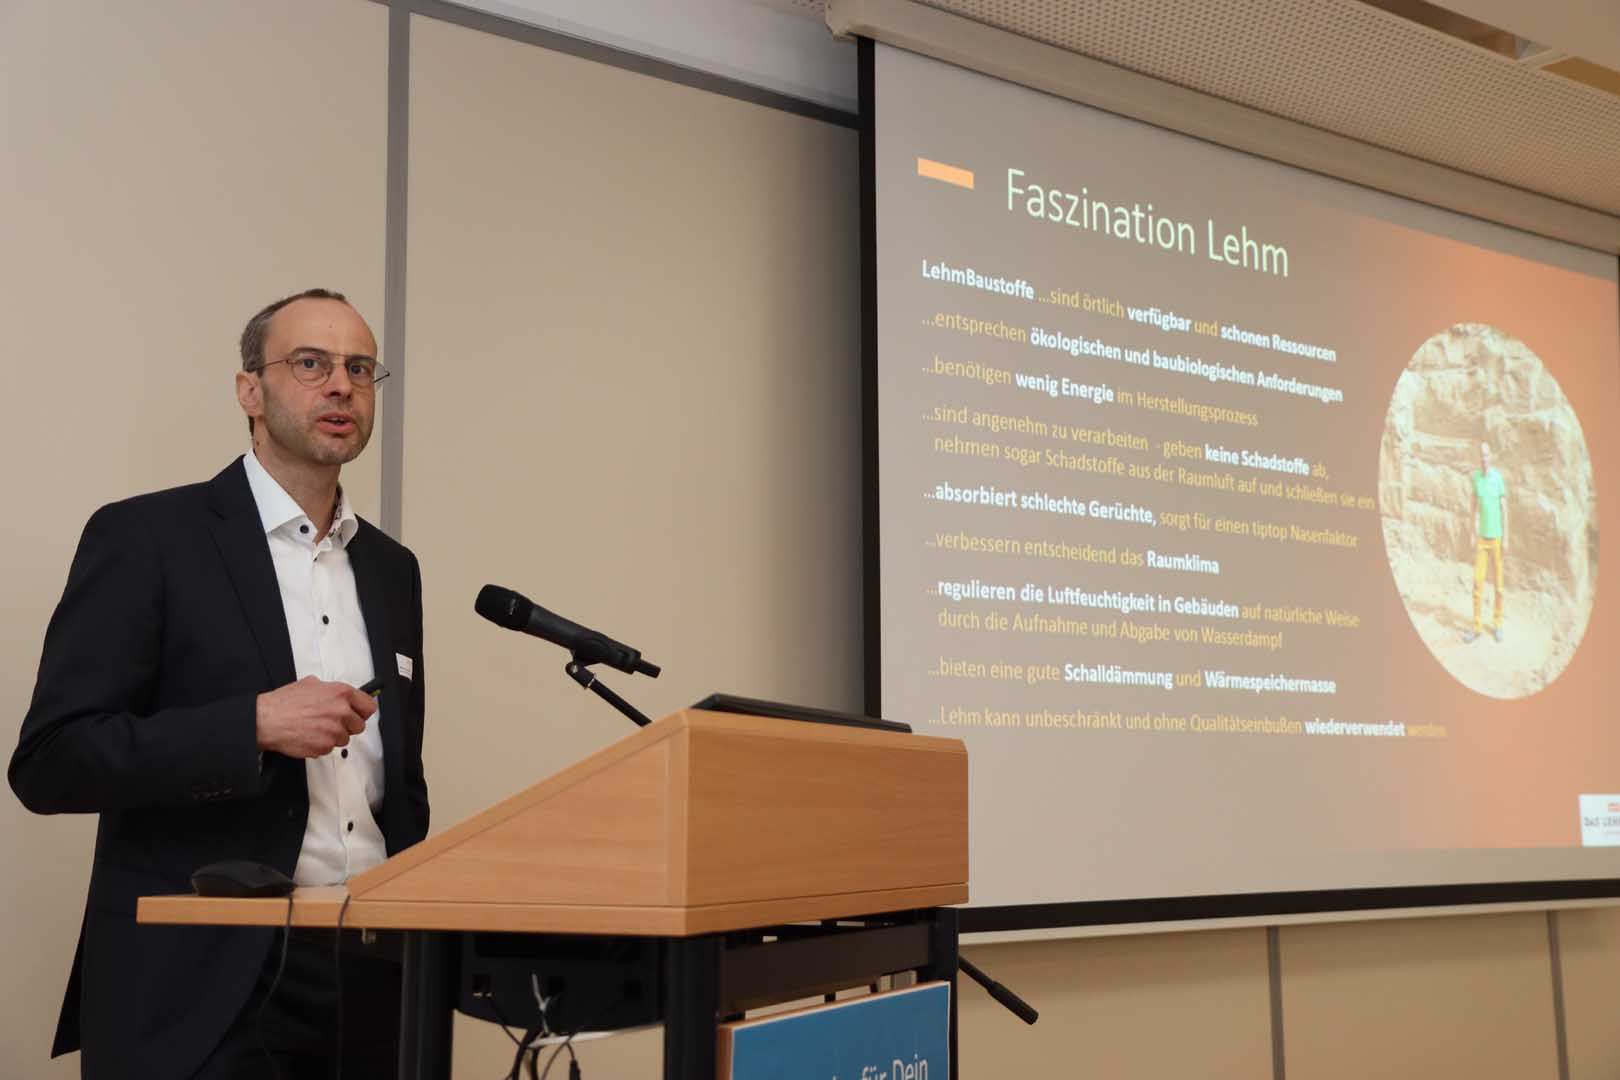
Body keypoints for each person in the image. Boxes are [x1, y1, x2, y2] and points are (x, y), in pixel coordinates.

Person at [9, 289, 429, 1079]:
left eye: (360, 368)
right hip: (204, 984)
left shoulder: (391, 569)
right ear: (250, 391)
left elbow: (400, 787)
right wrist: (252, 726)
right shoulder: (148, 539)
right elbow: (52, 761)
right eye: (311, 363)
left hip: (374, 976)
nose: (341, 386)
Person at [1464, 440, 1507, 643]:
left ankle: (1497, 624)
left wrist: (1506, 537)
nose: (1484, 458)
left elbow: (1505, 510)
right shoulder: (1476, 479)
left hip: (1496, 539)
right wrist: (1472, 533)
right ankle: (1476, 627)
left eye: (1487, 454)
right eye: (1481, 454)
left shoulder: (1498, 478)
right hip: (1481, 539)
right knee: (1477, 584)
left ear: (1491, 456)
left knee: (1499, 586)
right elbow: (1473, 508)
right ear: (1478, 457)